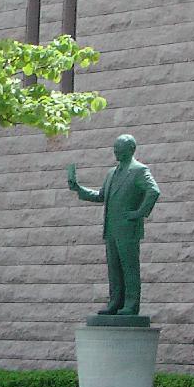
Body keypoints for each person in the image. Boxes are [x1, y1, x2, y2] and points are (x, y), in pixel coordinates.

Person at [67, 134, 160, 316]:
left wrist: (139, 213)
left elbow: (153, 191)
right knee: (114, 269)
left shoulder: (139, 170)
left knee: (129, 268)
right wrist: (79, 188)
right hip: (111, 229)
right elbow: (101, 196)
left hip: (128, 229)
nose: (116, 151)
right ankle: (115, 302)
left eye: (120, 149)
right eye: (115, 148)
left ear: (131, 150)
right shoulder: (112, 173)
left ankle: (131, 305)